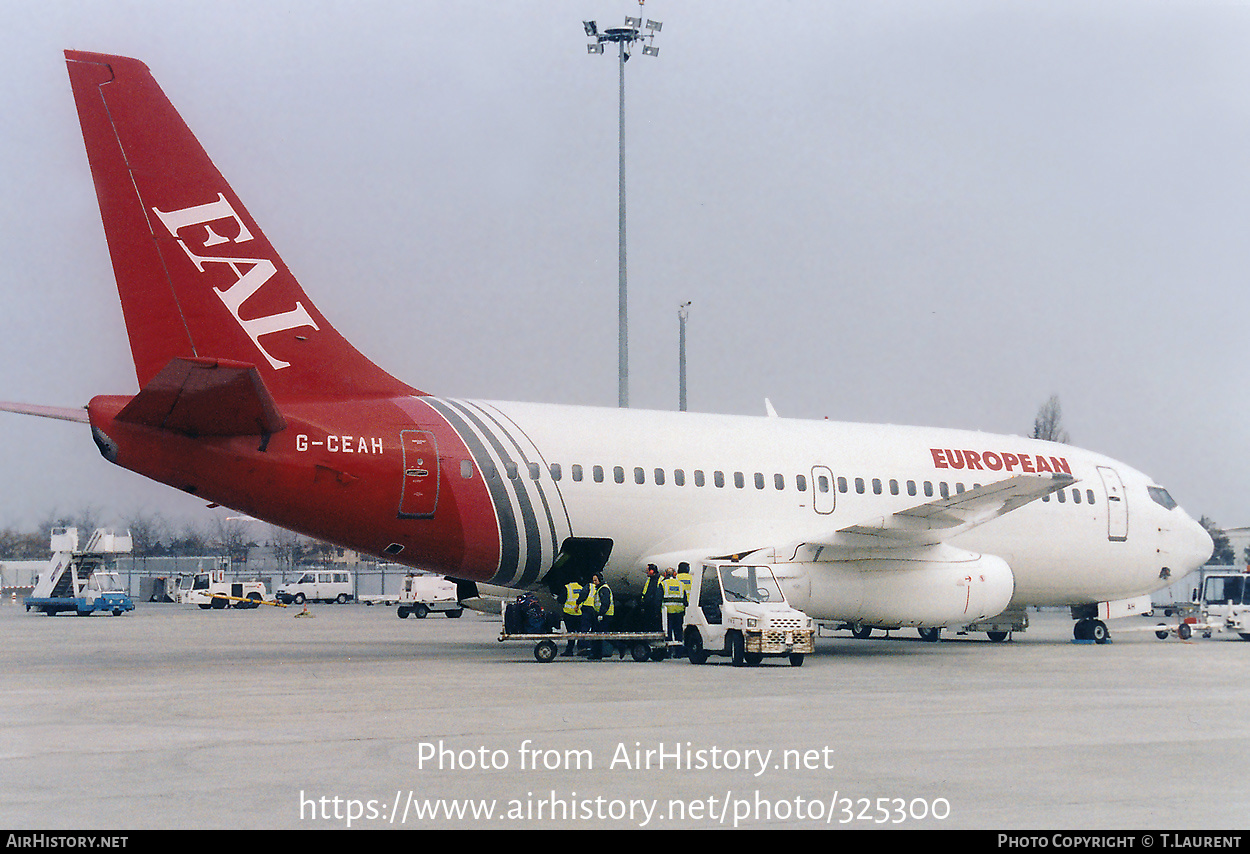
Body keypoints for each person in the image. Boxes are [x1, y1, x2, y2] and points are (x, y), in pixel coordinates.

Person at [662, 567, 687, 656]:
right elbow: (685, 599)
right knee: (678, 632)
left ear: (665, 574)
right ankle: (679, 652)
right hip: (679, 611)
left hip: (667, 612)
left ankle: (668, 652)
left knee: (667, 632)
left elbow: (659, 597)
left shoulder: (664, 584)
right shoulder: (681, 584)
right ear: (675, 574)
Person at [560, 578, 586, 657]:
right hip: (579, 614)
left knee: (571, 633)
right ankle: (582, 648)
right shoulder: (581, 588)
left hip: (569, 614)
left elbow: (561, 600)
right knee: (580, 633)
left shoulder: (567, 588)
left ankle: (569, 650)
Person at [640, 564, 662, 631]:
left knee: (655, 623)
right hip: (648, 605)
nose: (646, 572)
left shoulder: (660, 580)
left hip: (655, 606)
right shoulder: (649, 579)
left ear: (652, 571)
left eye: (647, 570)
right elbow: (645, 592)